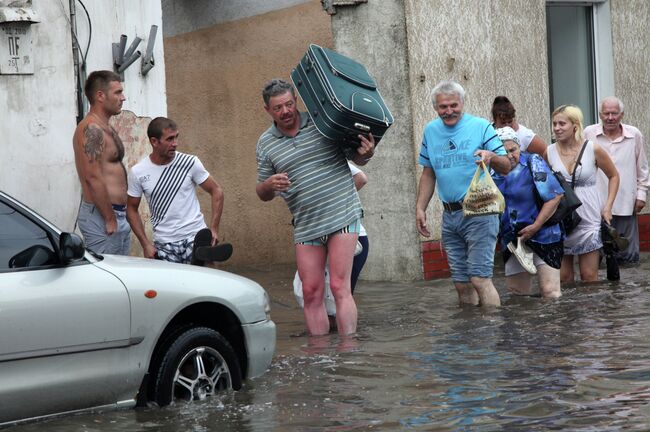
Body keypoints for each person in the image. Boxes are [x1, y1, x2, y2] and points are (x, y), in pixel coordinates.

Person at [256, 78, 375, 336]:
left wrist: (366, 154)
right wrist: (268, 185)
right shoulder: (265, 143)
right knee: (310, 291)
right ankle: (319, 355)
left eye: (289, 104)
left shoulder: (323, 123)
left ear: (295, 100)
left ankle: (348, 350)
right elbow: (262, 193)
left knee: (339, 286)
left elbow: (356, 158)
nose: (286, 111)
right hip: (306, 224)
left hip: (342, 215)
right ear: (267, 110)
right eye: (278, 108)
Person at [415, 80, 512, 307]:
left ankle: (491, 335)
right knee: (461, 283)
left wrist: (491, 156)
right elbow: (428, 173)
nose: (448, 111)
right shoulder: (430, 131)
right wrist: (420, 208)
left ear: (462, 103)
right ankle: (469, 335)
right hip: (450, 215)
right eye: (443, 107)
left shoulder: (481, 127)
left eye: (453, 105)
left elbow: (506, 166)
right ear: (435, 108)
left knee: (479, 278)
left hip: (480, 210)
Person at [126, 117, 224, 264]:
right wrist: (145, 244)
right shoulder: (138, 172)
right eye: (170, 139)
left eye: (176, 137)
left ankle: (205, 256)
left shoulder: (190, 162)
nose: (175, 143)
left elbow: (216, 191)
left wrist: (214, 229)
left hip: (195, 236)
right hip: (164, 244)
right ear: (154, 141)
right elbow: (131, 209)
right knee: (172, 287)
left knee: (204, 282)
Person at [545, 105, 619, 282]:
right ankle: (570, 310)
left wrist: (608, 207)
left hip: (589, 217)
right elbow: (544, 185)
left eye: (562, 123)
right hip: (563, 218)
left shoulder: (592, 149)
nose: (557, 128)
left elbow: (614, 175)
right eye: (554, 124)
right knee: (563, 277)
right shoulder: (549, 152)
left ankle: (593, 311)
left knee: (589, 275)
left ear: (575, 126)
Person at [292, 162, 370, 330]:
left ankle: (346, 346)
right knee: (316, 293)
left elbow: (361, 178)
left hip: (351, 238)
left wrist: (335, 207)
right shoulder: (289, 159)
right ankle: (331, 348)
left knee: (338, 294)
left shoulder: (325, 153)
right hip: (314, 235)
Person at [493, 127, 564, 298]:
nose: (510, 155)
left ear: (519, 147)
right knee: (517, 295)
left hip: (544, 233)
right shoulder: (491, 171)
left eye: (513, 150)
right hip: (513, 239)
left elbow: (554, 197)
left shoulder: (533, 162)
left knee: (550, 292)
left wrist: (536, 225)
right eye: (504, 152)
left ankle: (555, 325)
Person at [584, 96, 649, 266]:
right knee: (596, 256)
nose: (610, 118)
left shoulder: (634, 134)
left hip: (626, 202)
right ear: (600, 115)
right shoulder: (589, 133)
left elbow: (642, 167)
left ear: (622, 115)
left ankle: (626, 291)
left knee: (627, 256)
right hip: (596, 204)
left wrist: (642, 194)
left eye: (614, 113)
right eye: (606, 113)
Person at [73, 70, 131, 255]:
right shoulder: (92, 128)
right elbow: (92, 177)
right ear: (100, 95)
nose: (123, 98)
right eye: (117, 92)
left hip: (116, 215)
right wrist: (109, 218)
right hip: (102, 217)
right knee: (108, 279)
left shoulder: (104, 127)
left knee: (122, 276)